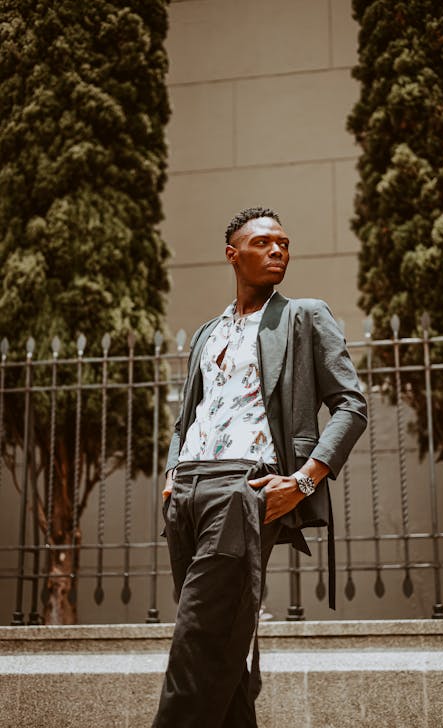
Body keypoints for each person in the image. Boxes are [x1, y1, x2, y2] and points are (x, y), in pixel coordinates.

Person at [152, 207, 367, 728]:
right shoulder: (208, 331)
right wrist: (171, 471)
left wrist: (304, 479)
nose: (278, 251)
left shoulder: (303, 317)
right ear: (233, 254)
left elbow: (352, 405)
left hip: (244, 488)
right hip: (188, 490)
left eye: (284, 243)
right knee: (221, 648)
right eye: (264, 242)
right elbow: (190, 414)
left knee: (198, 643)